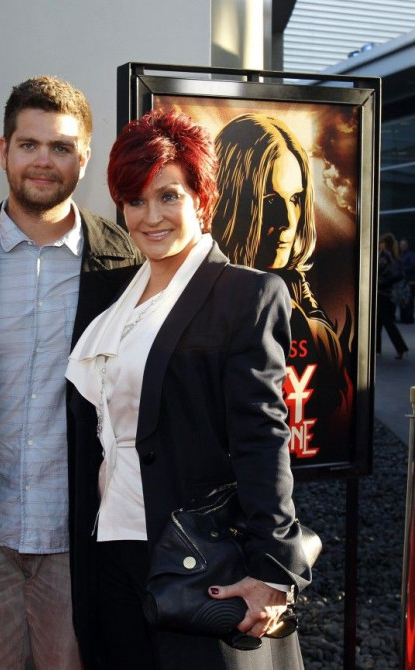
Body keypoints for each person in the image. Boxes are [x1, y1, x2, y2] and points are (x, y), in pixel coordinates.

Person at [66, 109, 313, 670]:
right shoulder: (109, 298)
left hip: (194, 552)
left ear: (202, 197)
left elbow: (262, 436)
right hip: (109, 548)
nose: (150, 217)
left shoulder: (244, 295)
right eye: (135, 200)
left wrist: (273, 567)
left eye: (168, 196)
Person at [0, 76, 142, 669]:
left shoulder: (122, 266)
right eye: (29, 145)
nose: (44, 161)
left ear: (85, 156)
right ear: (4, 151)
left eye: (62, 147)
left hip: (79, 532)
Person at [212, 113, 353, 455]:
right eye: (270, 200)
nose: (288, 221)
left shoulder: (300, 299)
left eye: (295, 199)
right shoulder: (203, 293)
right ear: (233, 200)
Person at [378, 232, 409, 359]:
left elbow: (379, 273)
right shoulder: (396, 257)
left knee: (386, 323)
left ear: (385, 244)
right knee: (379, 323)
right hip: (391, 296)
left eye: (381, 243)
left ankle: (401, 348)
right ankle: (377, 349)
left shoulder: (384, 257)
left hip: (382, 293)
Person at [398, 237, 415, 323]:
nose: (402, 246)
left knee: (409, 300)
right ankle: (403, 317)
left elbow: (413, 266)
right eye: (401, 245)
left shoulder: (411, 255)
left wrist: (402, 269)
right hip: (402, 282)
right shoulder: (400, 255)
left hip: (409, 281)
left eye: (404, 245)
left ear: (407, 245)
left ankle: (409, 318)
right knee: (403, 300)